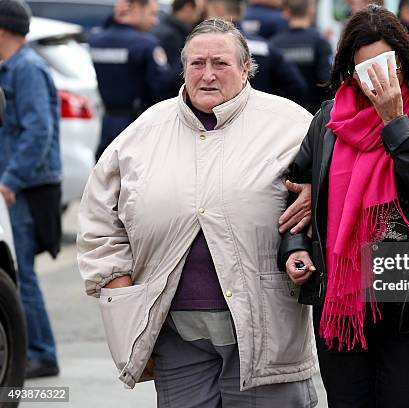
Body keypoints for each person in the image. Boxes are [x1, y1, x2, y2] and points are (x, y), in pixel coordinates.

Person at [77, 18, 318, 406]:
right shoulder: (144, 133)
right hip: (177, 338)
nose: (207, 75)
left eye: (220, 64)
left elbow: (343, 190)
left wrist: (316, 190)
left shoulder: (292, 126)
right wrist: (118, 287)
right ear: (183, 68)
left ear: (246, 69)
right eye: (196, 64)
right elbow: (98, 220)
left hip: (265, 333)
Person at [278, 5, 409, 407]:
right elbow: (295, 191)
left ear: (406, 62)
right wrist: (295, 248)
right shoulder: (329, 120)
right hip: (340, 301)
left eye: (387, 66)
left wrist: (394, 123)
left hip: (407, 302)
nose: (379, 80)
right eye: (366, 69)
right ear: (349, 70)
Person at [0, 0, 61, 379]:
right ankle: (37, 349)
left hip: (26, 187)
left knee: (21, 274)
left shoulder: (27, 68)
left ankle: (41, 352)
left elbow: (40, 131)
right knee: (21, 272)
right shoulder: (12, 67)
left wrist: (10, 179)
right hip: (17, 184)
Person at [89, 0, 177, 160]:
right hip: (137, 126)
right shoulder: (145, 44)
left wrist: (114, 17)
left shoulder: (96, 40)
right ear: (136, 8)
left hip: (108, 126)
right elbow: (162, 89)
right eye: (152, 14)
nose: (155, 21)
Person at [207, 0, 307, 100]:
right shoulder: (265, 47)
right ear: (241, 11)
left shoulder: (204, 48)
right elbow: (296, 85)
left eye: (208, 13)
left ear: (218, 10)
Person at [270, 0, 333, 114]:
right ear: (311, 11)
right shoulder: (320, 41)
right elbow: (327, 80)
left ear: (288, 12)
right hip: (314, 112)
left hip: (283, 112)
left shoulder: (275, 43)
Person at [153, 0, 207, 99]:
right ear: (187, 8)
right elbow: (171, 76)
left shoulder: (169, 29)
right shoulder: (171, 36)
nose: (200, 16)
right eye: (198, 11)